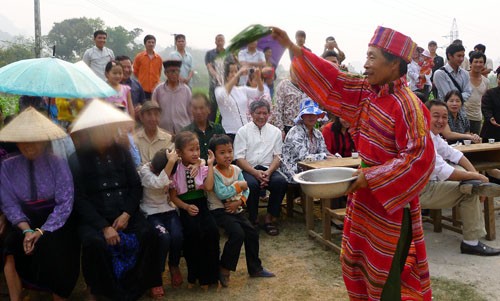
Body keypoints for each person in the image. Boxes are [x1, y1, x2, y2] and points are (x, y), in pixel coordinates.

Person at [272, 25, 435, 300]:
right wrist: (294, 50)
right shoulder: (367, 92)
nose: (367, 64)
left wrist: (368, 178)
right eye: (366, 56)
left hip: (389, 206)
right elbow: (334, 80)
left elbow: (419, 157)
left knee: (385, 280)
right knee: (358, 265)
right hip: (364, 199)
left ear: (394, 63)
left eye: (372, 57)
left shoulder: (408, 105)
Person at [68, 101, 163, 300]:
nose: (107, 135)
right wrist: (104, 226)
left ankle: (142, 284)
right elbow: (79, 198)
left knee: (150, 235)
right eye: (101, 130)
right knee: (94, 243)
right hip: (95, 216)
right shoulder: (77, 158)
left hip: (124, 211)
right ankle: (98, 289)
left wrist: (127, 214)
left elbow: (135, 186)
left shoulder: (122, 152)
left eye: (109, 129)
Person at [0, 108, 80, 301]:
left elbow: (65, 201)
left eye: (34, 141)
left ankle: (58, 296)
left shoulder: (57, 163)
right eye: (23, 142)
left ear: (44, 141)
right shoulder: (7, 166)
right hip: (23, 220)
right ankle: (15, 298)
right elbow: (9, 203)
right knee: (9, 245)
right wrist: (26, 230)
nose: (29, 147)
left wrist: (43, 231)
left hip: (55, 220)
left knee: (56, 247)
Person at [420, 100, 500, 256]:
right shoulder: (423, 139)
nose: (441, 121)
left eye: (444, 117)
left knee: (469, 181)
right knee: (469, 191)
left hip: (427, 185)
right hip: (419, 191)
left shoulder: (433, 136)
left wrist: (474, 175)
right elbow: (445, 171)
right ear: (425, 116)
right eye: (436, 116)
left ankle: (472, 240)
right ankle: (471, 243)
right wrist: (477, 178)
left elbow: (455, 154)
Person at [207, 134, 275, 287]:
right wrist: (240, 185)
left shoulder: (236, 169)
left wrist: (239, 200)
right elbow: (222, 193)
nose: (227, 156)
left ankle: (255, 268)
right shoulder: (214, 172)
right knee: (237, 233)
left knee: (252, 232)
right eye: (222, 152)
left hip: (235, 208)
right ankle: (224, 268)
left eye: (229, 151)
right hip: (219, 211)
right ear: (213, 155)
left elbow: (247, 190)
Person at [168, 131, 220, 288]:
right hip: (185, 206)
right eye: (191, 150)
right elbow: (173, 197)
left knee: (212, 232)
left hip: (202, 203)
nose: (196, 153)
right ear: (179, 152)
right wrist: (185, 207)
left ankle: (211, 277)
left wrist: (209, 164)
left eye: (197, 149)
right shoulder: (175, 170)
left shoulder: (202, 165)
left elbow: (209, 187)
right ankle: (194, 276)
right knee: (193, 235)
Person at [234, 100, 287, 236]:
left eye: (265, 113)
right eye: (258, 113)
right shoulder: (242, 131)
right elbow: (239, 158)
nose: (261, 116)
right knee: (251, 184)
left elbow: (277, 156)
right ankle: (254, 218)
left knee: (280, 182)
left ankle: (270, 218)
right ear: (252, 114)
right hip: (249, 169)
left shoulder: (275, 132)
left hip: (268, 168)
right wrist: (255, 173)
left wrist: (268, 173)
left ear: (269, 114)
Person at [138, 148, 183, 292]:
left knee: (177, 236)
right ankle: (157, 274)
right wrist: (170, 162)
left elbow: (192, 164)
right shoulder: (145, 171)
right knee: (164, 238)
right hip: (151, 213)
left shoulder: (172, 168)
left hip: (168, 209)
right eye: (157, 171)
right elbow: (157, 183)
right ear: (152, 166)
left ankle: (174, 265)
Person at [281, 99, 332, 182]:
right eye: (307, 114)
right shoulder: (296, 132)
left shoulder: (318, 133)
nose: (311, 116)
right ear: (302, 116)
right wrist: (324, 156)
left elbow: (324, 152)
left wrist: (332, 157)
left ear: (317, 116)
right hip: (294, 171)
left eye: (314, 114)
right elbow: (304, 157)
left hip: (313, 168)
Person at [215, 63, 264, 140]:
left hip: (245, 131)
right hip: (230, 132)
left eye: (236, 71)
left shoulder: (242, 89)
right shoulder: (219, 90)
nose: (234, 74)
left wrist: (258, 78)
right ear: (226, 75)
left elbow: (259, 92)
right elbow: (223, 96)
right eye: (231, 72)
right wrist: (238, 73)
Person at [152, 59, 192, 134]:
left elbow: (191, 112)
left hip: (183, 130)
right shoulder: (158, 90)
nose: (175, 73)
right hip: (164, 131)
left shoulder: (186, 90)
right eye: (172, 71)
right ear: (165, 73)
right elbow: (154, 110)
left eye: (177, 71)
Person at [182, 93, 225, 161]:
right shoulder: (185, 132)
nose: (198, 112)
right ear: (190, 109)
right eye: (195, 108)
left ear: (208, 109)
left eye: (201, 108)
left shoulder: (218, 130)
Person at [269, 67, 308, 137]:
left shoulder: (307, 86)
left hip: (304, 127)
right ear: (290, 71)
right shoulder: (284, 85)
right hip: (288, 127)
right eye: (295, 71)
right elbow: (277, 109)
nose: (297, 74)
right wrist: (280, 130)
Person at [134, 101, 174, 165]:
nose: (153, 118)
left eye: (156, 114)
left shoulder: (168, 139)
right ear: (141, 117)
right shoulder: (134, 139)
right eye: (149, 114)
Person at [465, 51, 490, 134]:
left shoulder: (486, 81)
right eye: (476, 62)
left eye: (481, 62)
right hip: (463, 117)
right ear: (471, 63)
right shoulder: (464, 77)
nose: (478, 64)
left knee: (475, 143)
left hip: (477, 118)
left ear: (484, 64)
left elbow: (486, 101)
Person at [133, 35, 163, 99]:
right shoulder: (139, 57)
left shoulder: (159, 58)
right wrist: (142, 78)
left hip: (155, 88)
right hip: (142, 88)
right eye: (149, 42)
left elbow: (159, 72)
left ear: (155, 44)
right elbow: (135, 71)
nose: (151, 44)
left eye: (153, 42)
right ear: (145, 44)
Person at [205, 34, 226, 122]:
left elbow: (232, 68)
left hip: (225, 86)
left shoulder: (228, 54)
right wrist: (217, 76)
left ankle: (222, 131)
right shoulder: (209, 54)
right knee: (212, 109)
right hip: (214, 85)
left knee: (224, 110)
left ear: (224, 42)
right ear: (215, 42)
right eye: (218, 40)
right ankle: (211, 128)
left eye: (222, 40)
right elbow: (209, 67)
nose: (220, 42)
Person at [480, 67, 500, 142]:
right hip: (491, 132)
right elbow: (486, 108)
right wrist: (490, 118)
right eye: (499, 78)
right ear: (497, 79)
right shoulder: (490, 93)